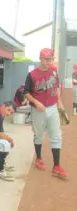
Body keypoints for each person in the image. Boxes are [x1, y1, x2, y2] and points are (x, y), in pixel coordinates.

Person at [24, 48, 68, 179]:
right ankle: (38, 158)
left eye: (50, 59)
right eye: (46, 59)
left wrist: (60, 104)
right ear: (40, 58)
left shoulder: (54, 71)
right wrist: (36, 102)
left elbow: (56, 89)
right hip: (38, 109)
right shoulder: (32, 75)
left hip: (53, 107)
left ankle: (57, 166)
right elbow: (25, 92)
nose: (48, 61)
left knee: (56, 136)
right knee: (38, 134)